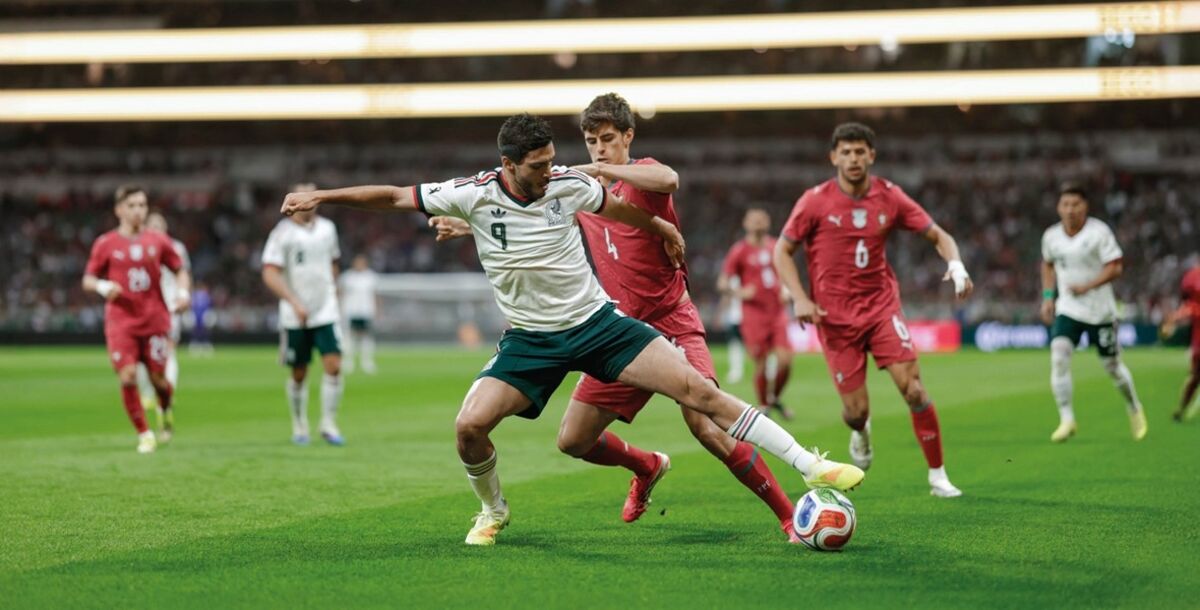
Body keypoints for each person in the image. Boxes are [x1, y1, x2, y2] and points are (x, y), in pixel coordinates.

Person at [280, 112, 864, 546]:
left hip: (597, 325)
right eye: (537, 166)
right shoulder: (472, 195)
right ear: (509, 165)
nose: (549, 171)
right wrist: (321, 196)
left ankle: (807, 465)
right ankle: (494, 510)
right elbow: (391, 195)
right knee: (470, 428)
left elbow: (624, 209)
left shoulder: (567, 184)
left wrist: (660, 231)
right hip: (530, 340)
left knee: (699, 394)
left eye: (552, 159)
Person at [774, 122, 971, 498]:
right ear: (834, 157)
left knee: (913, 389)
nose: (853, 158)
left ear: (871, 156)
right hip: (834, 319)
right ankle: (861, 430)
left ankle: (938, 475)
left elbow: (938, 235)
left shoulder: (890, 196)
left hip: (882, 309)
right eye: (845, 152)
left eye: (860, 151)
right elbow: (781, 250)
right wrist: (798, 295)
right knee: (855, 411)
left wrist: (957, 265)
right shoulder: (814, 201)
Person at [82, 185, 190, 454]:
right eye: (132, 206)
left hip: (155, 319)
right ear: (119, 210)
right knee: (128, 376)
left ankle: (165, 408)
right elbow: (88, 279)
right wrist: (103, 287)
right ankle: (145, 433)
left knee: (158, 380)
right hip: (121, 321)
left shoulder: (158, 240)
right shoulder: (105, 243)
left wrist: (184, 292)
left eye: (142, 205)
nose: (138, 211)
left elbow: (180, 269)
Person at [1040, 182, 1148, 442]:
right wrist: (1047, 297)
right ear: (1058, 207)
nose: (1070, 209)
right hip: (1068, 308)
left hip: (1100, 311)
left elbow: (1116, 267)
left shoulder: (1099, 232)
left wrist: (1087, 286)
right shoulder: (1051, 236)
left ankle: (1134, 407)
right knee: (1059, 356)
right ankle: (1067, 419)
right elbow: (1047, 264)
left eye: (1075, 204)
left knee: (1112, 366)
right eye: (1065, 204)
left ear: (1085, 206)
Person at [262, 183, 346, 447]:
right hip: (294, 314)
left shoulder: (328, 229)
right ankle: (299, 424)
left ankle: (328, 424)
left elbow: (333, 263)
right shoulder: (282, 233)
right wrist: (293, 301)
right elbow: (270, 272)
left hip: (325, 310)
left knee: (333, 365)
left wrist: (332, 290)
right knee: (299, 371)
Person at [719, 209, 795, 420]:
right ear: (746, 223)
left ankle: (773, 399)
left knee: (785, 361)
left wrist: (787, 288)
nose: (758, 223)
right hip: (754, 314)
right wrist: (740, 292)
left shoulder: (775, 247)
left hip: (777, 312)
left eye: (762, 219)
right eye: (754, 219)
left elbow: (786, 273)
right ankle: (765, 405)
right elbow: (723, 282)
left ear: (768, 222)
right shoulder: (739, 251)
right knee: (761, 362)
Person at [135, 212, 191, 442]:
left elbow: (184, 274)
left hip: (168, 306)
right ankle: (149, 393)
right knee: (141, 356)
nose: (157, 228)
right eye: (153, 225)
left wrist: (183, 296)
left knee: (168, 351)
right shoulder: (138, 246)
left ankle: (165, 397)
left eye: (161, 224)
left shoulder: (175, 247)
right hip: (142, 309)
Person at [1162, 259, 1200, 422]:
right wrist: (1174, 319)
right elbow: (1188, 305)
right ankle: (1181, 408)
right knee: (1195, 376)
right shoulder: (1192, 277)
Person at [340, 254, 380, 374]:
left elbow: (375, 295)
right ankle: (348, 362)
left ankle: (367, 362)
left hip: (366, 311)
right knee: (349, 337)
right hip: (351, 311)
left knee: (366, 337)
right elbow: (341, 293)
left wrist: (377, 310)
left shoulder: (371, 277)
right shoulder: (347, 277)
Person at [717, 277, 746, 384]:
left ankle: (768, 371)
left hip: (751, 316)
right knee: (735, 345)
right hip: (735, 316)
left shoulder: (751, 275)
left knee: (759, 345)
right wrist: (721, 313)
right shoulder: (733, 278)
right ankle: (736, 372)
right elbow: (726, 296)